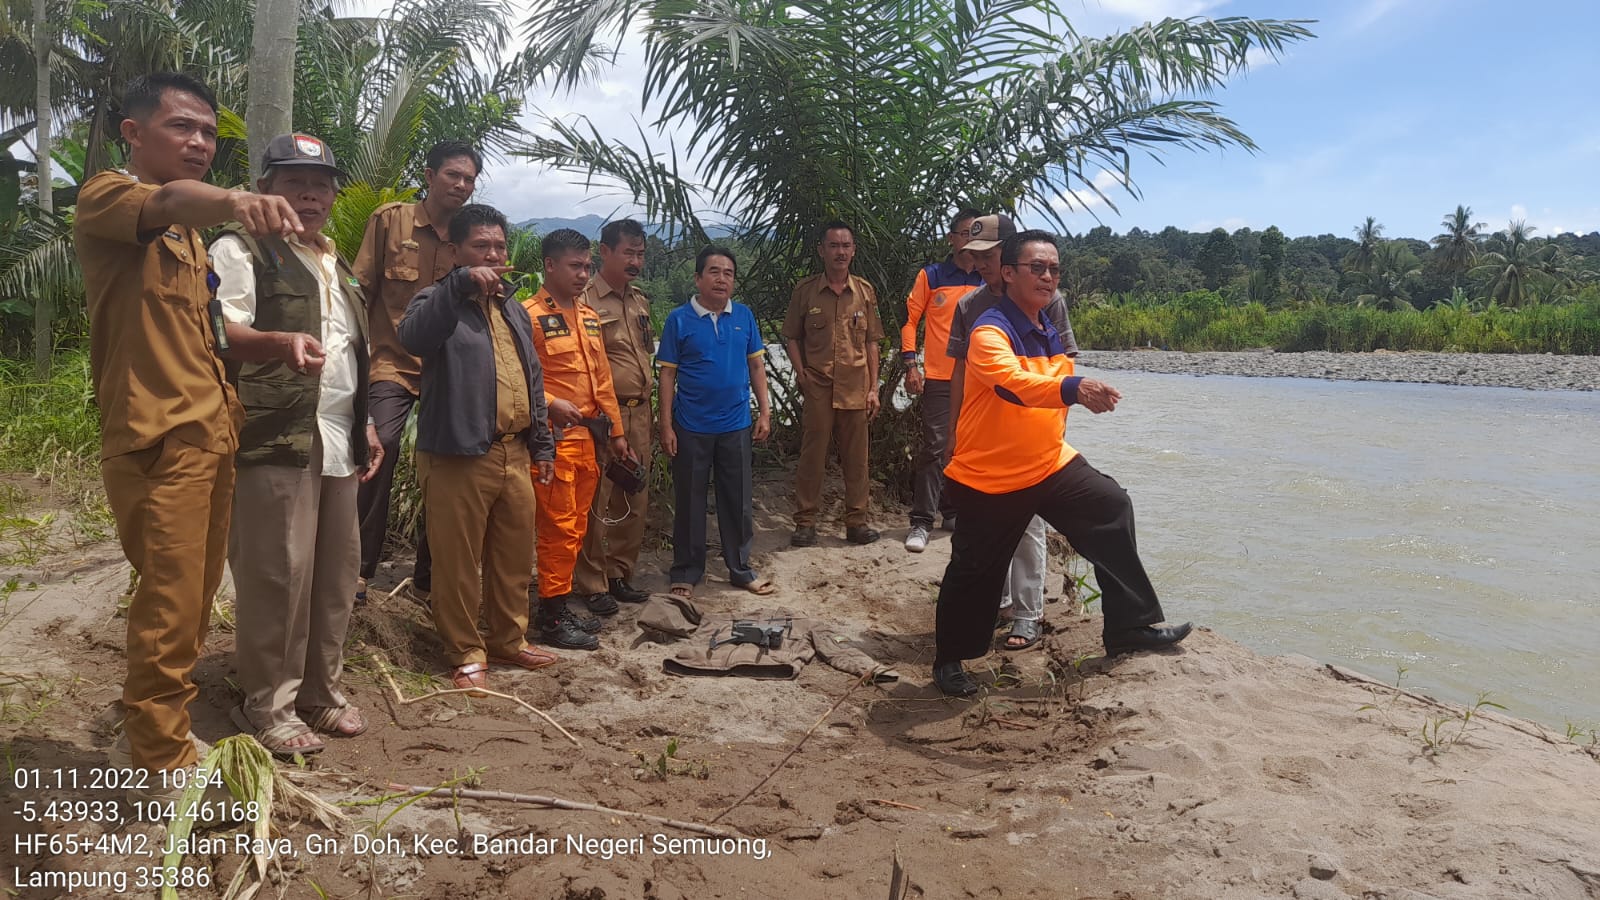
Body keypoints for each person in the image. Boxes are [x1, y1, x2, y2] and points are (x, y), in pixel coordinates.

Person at [75, 73, 302, 785]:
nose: (200, 142)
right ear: (133, 134)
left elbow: (210, 332)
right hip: (158, 438)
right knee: (169, 606)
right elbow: (170, 197)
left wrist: (276, 344)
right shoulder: (110, 197)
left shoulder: (186, 236)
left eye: (207, 132)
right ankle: (160, 761)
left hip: (211, 433)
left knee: (196, 600)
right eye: (181, 127)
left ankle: (156, 732)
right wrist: (238, 199)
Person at [932, 230, 1191, 697]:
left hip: (1049, 463)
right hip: (991, 475)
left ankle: (1129, 628)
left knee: (1111, 507)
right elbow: (1011, 383)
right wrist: (1077, 389)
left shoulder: (1047, 325)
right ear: (1008, 274)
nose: (1048, 276)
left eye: (1054, 268)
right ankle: (950, 659)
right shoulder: (989, 329)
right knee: (974, 571)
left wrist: (1073, 397)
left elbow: (1050, 387)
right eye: (1037, 267)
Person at [210, 133, 381, 757]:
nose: (310, 194)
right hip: (273, 431)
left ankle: (320, 692)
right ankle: (268, 704)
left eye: (321, 184)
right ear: (265, 189)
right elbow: (218, 330)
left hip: (336, 432)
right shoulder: (239, 248)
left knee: (335, 572)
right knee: (277, 571)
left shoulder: (332, 261)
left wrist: (361, 422)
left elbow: (347, 355)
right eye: (293, 182)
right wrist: (279, 344)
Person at [396, 204, 557, 695]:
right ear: (457, 252)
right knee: (458, 561)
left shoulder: (511, 307)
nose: (494, 255)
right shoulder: (434, 299)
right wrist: (458, 285)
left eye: (500, 246)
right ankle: (465, 649)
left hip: (514, 452)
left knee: (513, 555)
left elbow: (532, 377)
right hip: (458, 455)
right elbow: (414, 337)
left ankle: (509, 637)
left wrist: (543, 443)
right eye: (481, 246)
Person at [353, 140, 484, 606]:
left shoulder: (471, 234)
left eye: (469, 179)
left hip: (449, 370)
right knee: (380, 446)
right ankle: (357, 571)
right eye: (454, 175)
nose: (462, 186)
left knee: (449, 462)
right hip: (392, 362)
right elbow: (359, 290)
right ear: (429, 176)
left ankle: (431, 578)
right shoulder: (390, 221)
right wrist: (354, 357)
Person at [946, 213, 1080, 652]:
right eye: (974, 256)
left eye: (987, 255)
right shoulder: (971, 306)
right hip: (985, 444)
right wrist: (954, 434)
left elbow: (1063, 372)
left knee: (1028, 527)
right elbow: (962, 376)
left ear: (1008, 257)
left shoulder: (1049, 301)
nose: (978, 263)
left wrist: (1055, 437)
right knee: (985, 530)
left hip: (1035, 441)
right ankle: (998, 606)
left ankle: (1027, 613)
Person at [522, 228, 632, 649]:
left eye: (587, 266)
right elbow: (520, 376)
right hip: (553, 440)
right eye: (575, 265)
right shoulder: (528, 314)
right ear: (550, 265)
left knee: (577, 527)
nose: (584, 274)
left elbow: (602, 381)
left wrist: (617, 434)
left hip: (589, 439)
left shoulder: (588, 316)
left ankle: (559, 605)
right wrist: (549, 402)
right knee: (557, 528)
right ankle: (551, 617)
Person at [658, 246, 774, 598]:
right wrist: (665, 425)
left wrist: (765, 412)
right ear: (698, 278)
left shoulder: (744, 316)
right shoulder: (678, 319)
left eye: (728, 273)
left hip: (736, 423)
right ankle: (687, 571)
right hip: (690, 426)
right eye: (714, 271)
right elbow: (667, 377)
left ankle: (740, 568)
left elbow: (756, 366)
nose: (722, 278)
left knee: (737, 500)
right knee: (690, 501)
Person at [782, 220, 885, 547]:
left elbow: (871, 342)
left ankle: (857, 522)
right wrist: (801, 373)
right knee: (813, 456)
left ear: (853, 250)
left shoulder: (865, 292)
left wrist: (873, 388)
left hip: (856, 387)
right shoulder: (806, 291)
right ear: (821, 251)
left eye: (846, 246)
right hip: (819, 387)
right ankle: (805, 522)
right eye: (834, 246)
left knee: (857, 459)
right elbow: (792, 338)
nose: (840, 252)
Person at [574, 219, 656, 610]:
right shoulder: (585, 299)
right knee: (599, 498)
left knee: (633, 492)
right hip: (605, 415)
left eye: (640, 253)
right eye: (628, 252)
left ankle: (619, 572)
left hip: (641, 412)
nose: (635, 260)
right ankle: (591, 583)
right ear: (604, 251)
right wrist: (605, 421)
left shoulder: (639, 300)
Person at [900, 208, 985, 552]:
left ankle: (954, 512)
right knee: (934, 448)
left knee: (971, 448)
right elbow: (910, 321)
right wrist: (910, 363)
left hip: (982, 380)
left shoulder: (989, 279)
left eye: (976, 233)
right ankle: (921, 522)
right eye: (965, 233)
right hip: (939, 376)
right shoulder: (932, 275)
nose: (970, 240)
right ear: (951, 238)